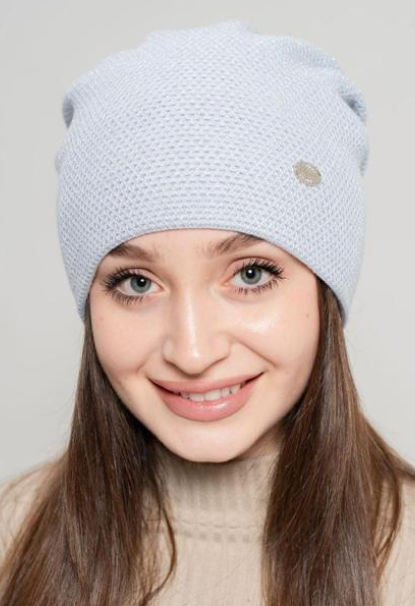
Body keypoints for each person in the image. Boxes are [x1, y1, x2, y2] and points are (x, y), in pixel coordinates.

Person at [1, 19, 414, 606]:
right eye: (137, 283)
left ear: (325, 291)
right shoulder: (14, 537)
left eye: (250, 274)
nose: (193, 353)